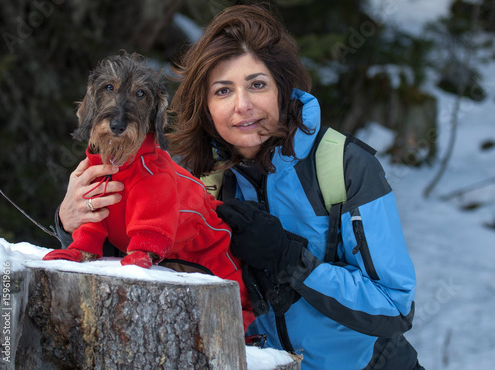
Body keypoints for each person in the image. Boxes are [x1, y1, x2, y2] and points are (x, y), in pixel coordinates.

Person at [57, 5, 423, 369]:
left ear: (283, 89)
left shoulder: (343, 166)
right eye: (223, 91)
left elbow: (394, 307)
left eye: (257, 85)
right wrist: (72, 220)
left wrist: (289, 259)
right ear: (207, 105)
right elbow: (143, 258)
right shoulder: (194, 178)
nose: (242, 106)